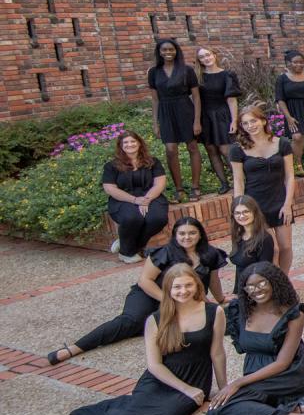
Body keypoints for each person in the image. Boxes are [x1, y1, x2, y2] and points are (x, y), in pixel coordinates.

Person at [67, 266, 223, 415]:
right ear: (168, 290)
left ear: (197, 285)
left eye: (188, 285)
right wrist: (187, 390)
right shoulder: (156, 319)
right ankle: (90, 413)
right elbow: (155, 365)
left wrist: (224, 388)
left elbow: (217, 353)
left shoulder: (213, 312)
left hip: (195, 377)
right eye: (177, 287)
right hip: (162, 378)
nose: (183, 291)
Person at [49, 217, 225, 364]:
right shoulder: (163, 253)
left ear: (200, 234)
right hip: (150, 294)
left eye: (192, 233)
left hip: (181, 299)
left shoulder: (210, 254)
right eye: (182, 233)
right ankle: (74, 348)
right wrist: (167, 300)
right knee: (129, 322)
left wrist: (221, 298)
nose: (187, 237)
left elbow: (213, 280)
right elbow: (145, 281)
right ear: (175, 235)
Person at [185, 263, 304, 415]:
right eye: (250, 286)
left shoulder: (294, 314)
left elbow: (283, 363)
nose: (256, 290)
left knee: (221, 410)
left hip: (287, 374)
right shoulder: (241, 310)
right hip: (255, 374)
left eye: (262, 284)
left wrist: (237, 383)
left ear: (274, 282)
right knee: (221, 407)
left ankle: (296, 412)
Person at [229, 103, 296, 272]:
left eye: (253, 121)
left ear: (263, 121)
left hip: (280, 201)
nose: (250, 126)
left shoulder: (283, 143)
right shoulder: (237, 150)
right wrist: (239, 206)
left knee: (286, 247)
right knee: (272, 249)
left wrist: (288, 204)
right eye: (245, 123)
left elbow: (290, 176)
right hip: (255, 205)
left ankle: (283, 280)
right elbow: (238, 181)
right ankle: (273, 283)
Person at [101, 130, 169, 263]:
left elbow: (159, 183)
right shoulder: (111, 166)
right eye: (125, 142)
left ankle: (127, 243)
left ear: (139, 143)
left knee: (157, 219)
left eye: (133, 141)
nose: (129, 144)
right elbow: (110, 188)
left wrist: (146, 200)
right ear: (120, 145)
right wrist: (135, 200)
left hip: (151, 197)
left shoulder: (153, 162)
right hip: (124, 199)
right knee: (133, 218)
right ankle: (126, 253)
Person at [147, 37, 202, 201]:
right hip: (165, 111)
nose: (168, 52)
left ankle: (195, 187)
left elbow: (197, 97)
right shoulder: (153, 72)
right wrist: (155, 123)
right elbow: (155, 100)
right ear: (159, 52)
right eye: (164, 50)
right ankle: (179, 189)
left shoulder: (187, 70)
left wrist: (197, 120)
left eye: (171, 49)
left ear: (176, 51)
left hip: (185, 109)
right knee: (170, 150)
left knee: (192, 147)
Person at [193, 45, 241, 190]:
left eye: (208, 55)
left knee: (226, 150)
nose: (206, 58)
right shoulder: (197, 77)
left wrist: (234, 120)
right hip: (204, 117)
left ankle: (240, 181)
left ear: (214, 55)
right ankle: (224, 183)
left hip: (222, 115)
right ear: (199, 61)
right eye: (202, 57)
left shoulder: (227, 75)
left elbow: (231, 100)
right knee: (212, 151)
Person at [226, 196, 277, 298]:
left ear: (254, 212)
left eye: (246, 211)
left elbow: (265, 271)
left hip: (258, 290)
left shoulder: (264, 238)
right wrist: (237, 292)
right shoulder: (238, 235)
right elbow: (239, 268)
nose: (241, 216)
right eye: (237, 213)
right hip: (244, 288)